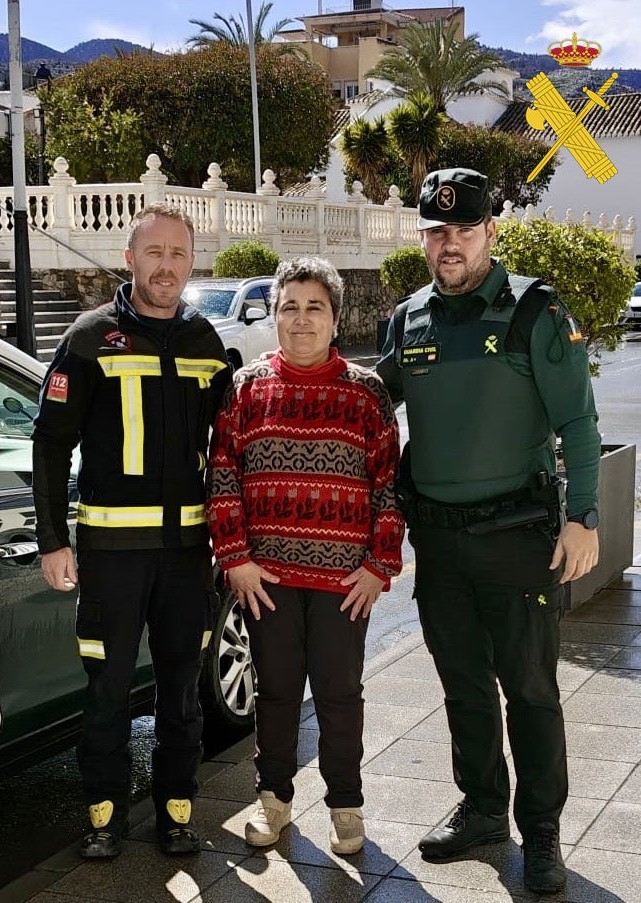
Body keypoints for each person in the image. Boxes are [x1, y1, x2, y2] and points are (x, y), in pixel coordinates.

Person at [377, 168, 600, 895]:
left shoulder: (533, 309)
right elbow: (371, 405)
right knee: (463, 687)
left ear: (489, 232)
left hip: (516, 535)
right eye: (436, 231)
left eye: (462, 230)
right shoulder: (406, 317)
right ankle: (480, 811)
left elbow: (578, 421)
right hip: (438, 542)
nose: (448, 244)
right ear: (422, 237)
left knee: (529, 690)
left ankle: (540, 831)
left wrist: (583, 515)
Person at [31, 203, 230, 860]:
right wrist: (53, 538)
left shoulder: (206, 342)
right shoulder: (89, 338)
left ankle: (175, 811)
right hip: (110, 556)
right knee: (107, 692)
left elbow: (230, 451)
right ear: (129, 259)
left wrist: (234, 543)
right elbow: (51, 442)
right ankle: (104, 815)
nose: (165, 266)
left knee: (180, 690)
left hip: (184, 557)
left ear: (190, 261)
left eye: (177, 254)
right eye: (154, 253)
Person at [207, 256, 404, 856]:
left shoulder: (367, 394)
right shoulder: (246, 389)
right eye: (288, 307)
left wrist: (379, 566)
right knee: (276, 692)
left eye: (313, 307)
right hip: (266, 579)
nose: (300, 319)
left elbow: (390, 487)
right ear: (273, 317)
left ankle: (346, 805)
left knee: (342, 694)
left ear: (335, 319)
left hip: (344, 581)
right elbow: (222, 476)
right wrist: (235, 558)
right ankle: (274, 804)